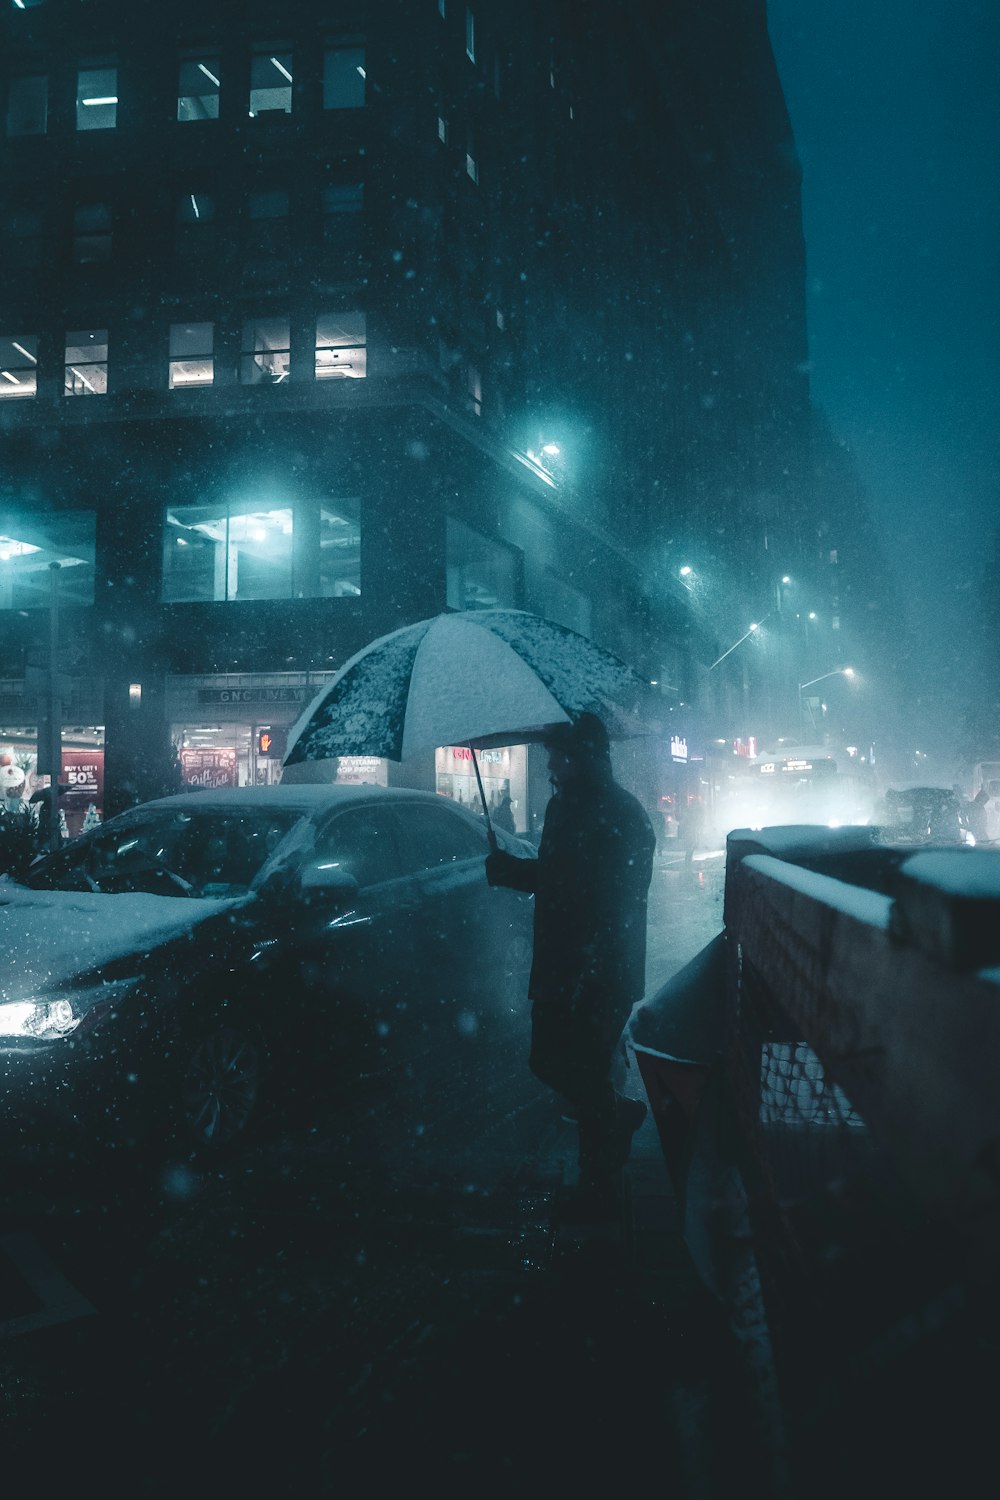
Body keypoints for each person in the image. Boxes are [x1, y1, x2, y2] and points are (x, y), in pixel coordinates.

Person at [485, 711, 656, 1221]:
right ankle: (613, 1118)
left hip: (598, 966)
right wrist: (512, 871)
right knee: (550, 1061)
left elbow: (611, 895)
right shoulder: (565, 807)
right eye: (550, 755)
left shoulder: (620, 813)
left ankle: (597, 1184)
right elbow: (560, 878)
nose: (551, 765)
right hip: (561, 961)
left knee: (580, 1070)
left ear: (584, 757)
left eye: (558, 755)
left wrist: (594, 966)